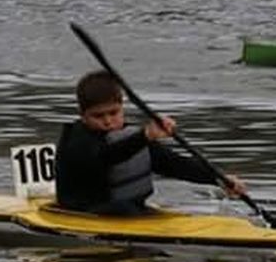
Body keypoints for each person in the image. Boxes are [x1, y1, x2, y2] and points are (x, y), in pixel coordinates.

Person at [54, 70, 246, 217]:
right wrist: (144, 136)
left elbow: (174, 164)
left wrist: (219, 178)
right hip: (85, 212)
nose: (107, 121)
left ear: (122, 108)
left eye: (113, 113)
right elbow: (106, 156)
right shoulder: (77, 141)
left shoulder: (129, 136)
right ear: (83, 115)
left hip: (127, 210)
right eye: (98, 116)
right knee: (125, 209)